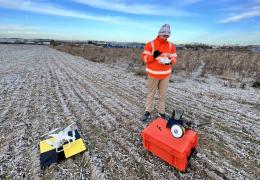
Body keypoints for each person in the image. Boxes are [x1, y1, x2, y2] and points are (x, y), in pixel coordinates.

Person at [141, 24, 177, 121]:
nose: (166, 37)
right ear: (159, 33)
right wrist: (153, 56)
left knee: (162, 95)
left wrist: (170, 61)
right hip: (153, 74)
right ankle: (147, 112)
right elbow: (144, 58)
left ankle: (161, 113)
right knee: (151, 94)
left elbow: (174, 57)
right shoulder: (150, 44)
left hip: (165, 75)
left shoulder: (171, 45)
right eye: (164, 35)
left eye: (167, 35)